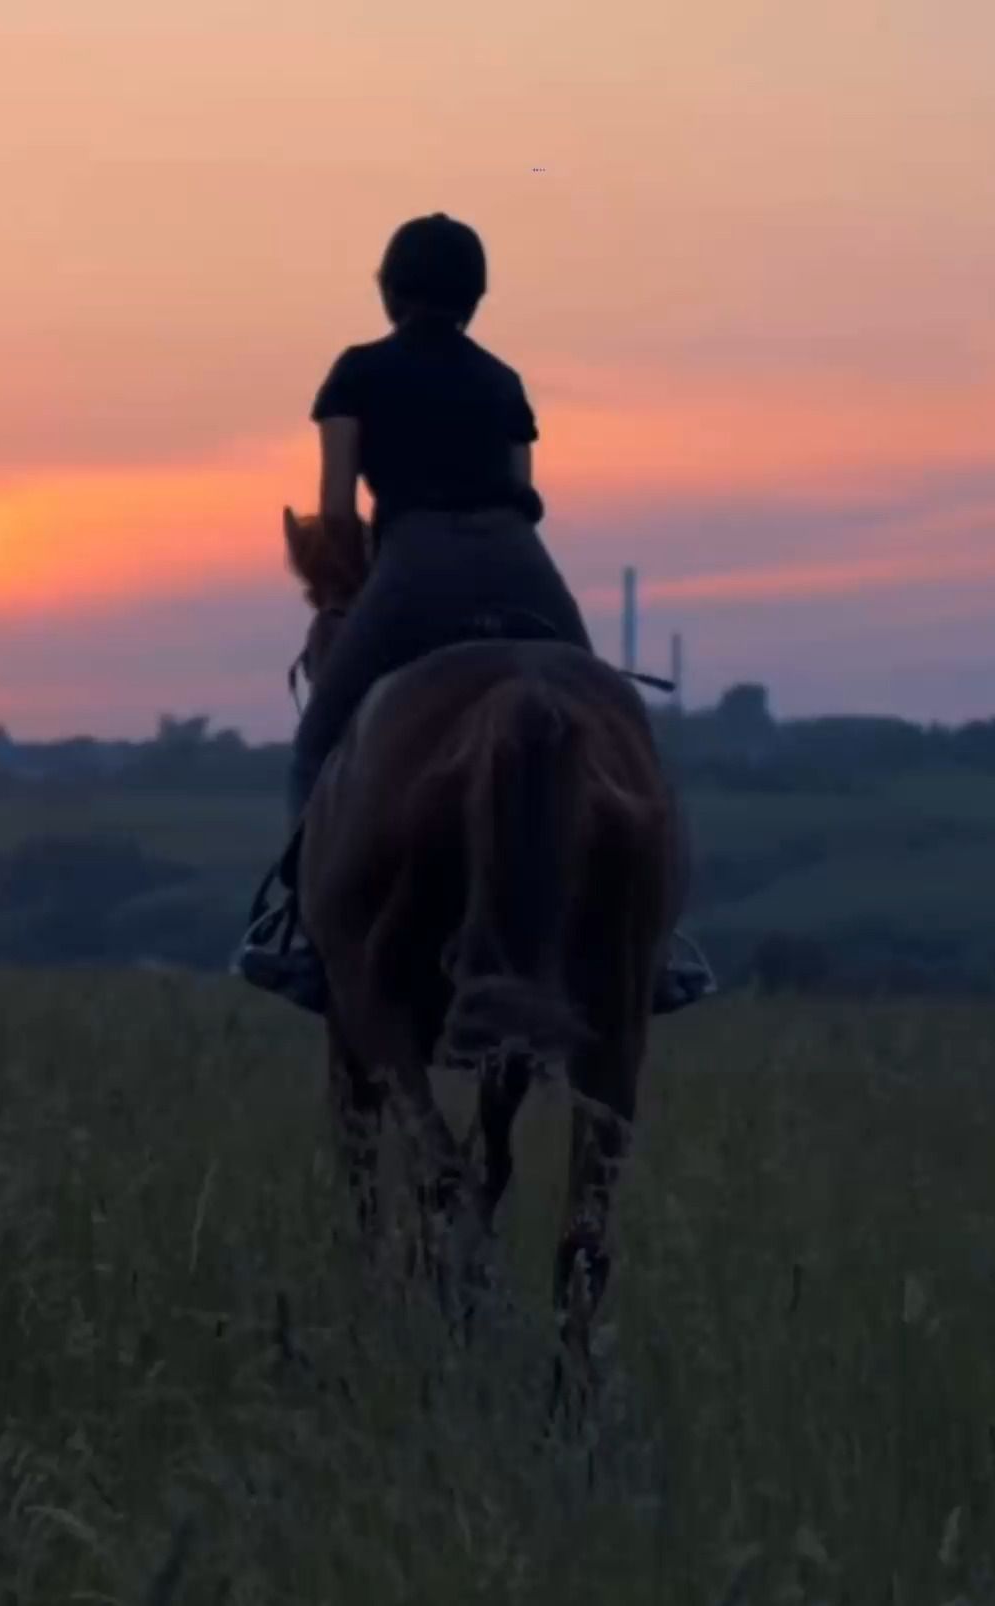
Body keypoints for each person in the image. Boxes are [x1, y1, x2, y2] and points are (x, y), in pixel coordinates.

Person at [233, 212, 714, 1016]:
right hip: (521, 564)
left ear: (388, 291)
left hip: (414, 561)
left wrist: (358, 588)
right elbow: (524, 488)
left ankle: (308, 939)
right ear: (476, 298)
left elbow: (337, 511)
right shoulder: (503, 380)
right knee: (614, 721)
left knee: (318, 740)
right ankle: (655, 946)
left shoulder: (357, 372)